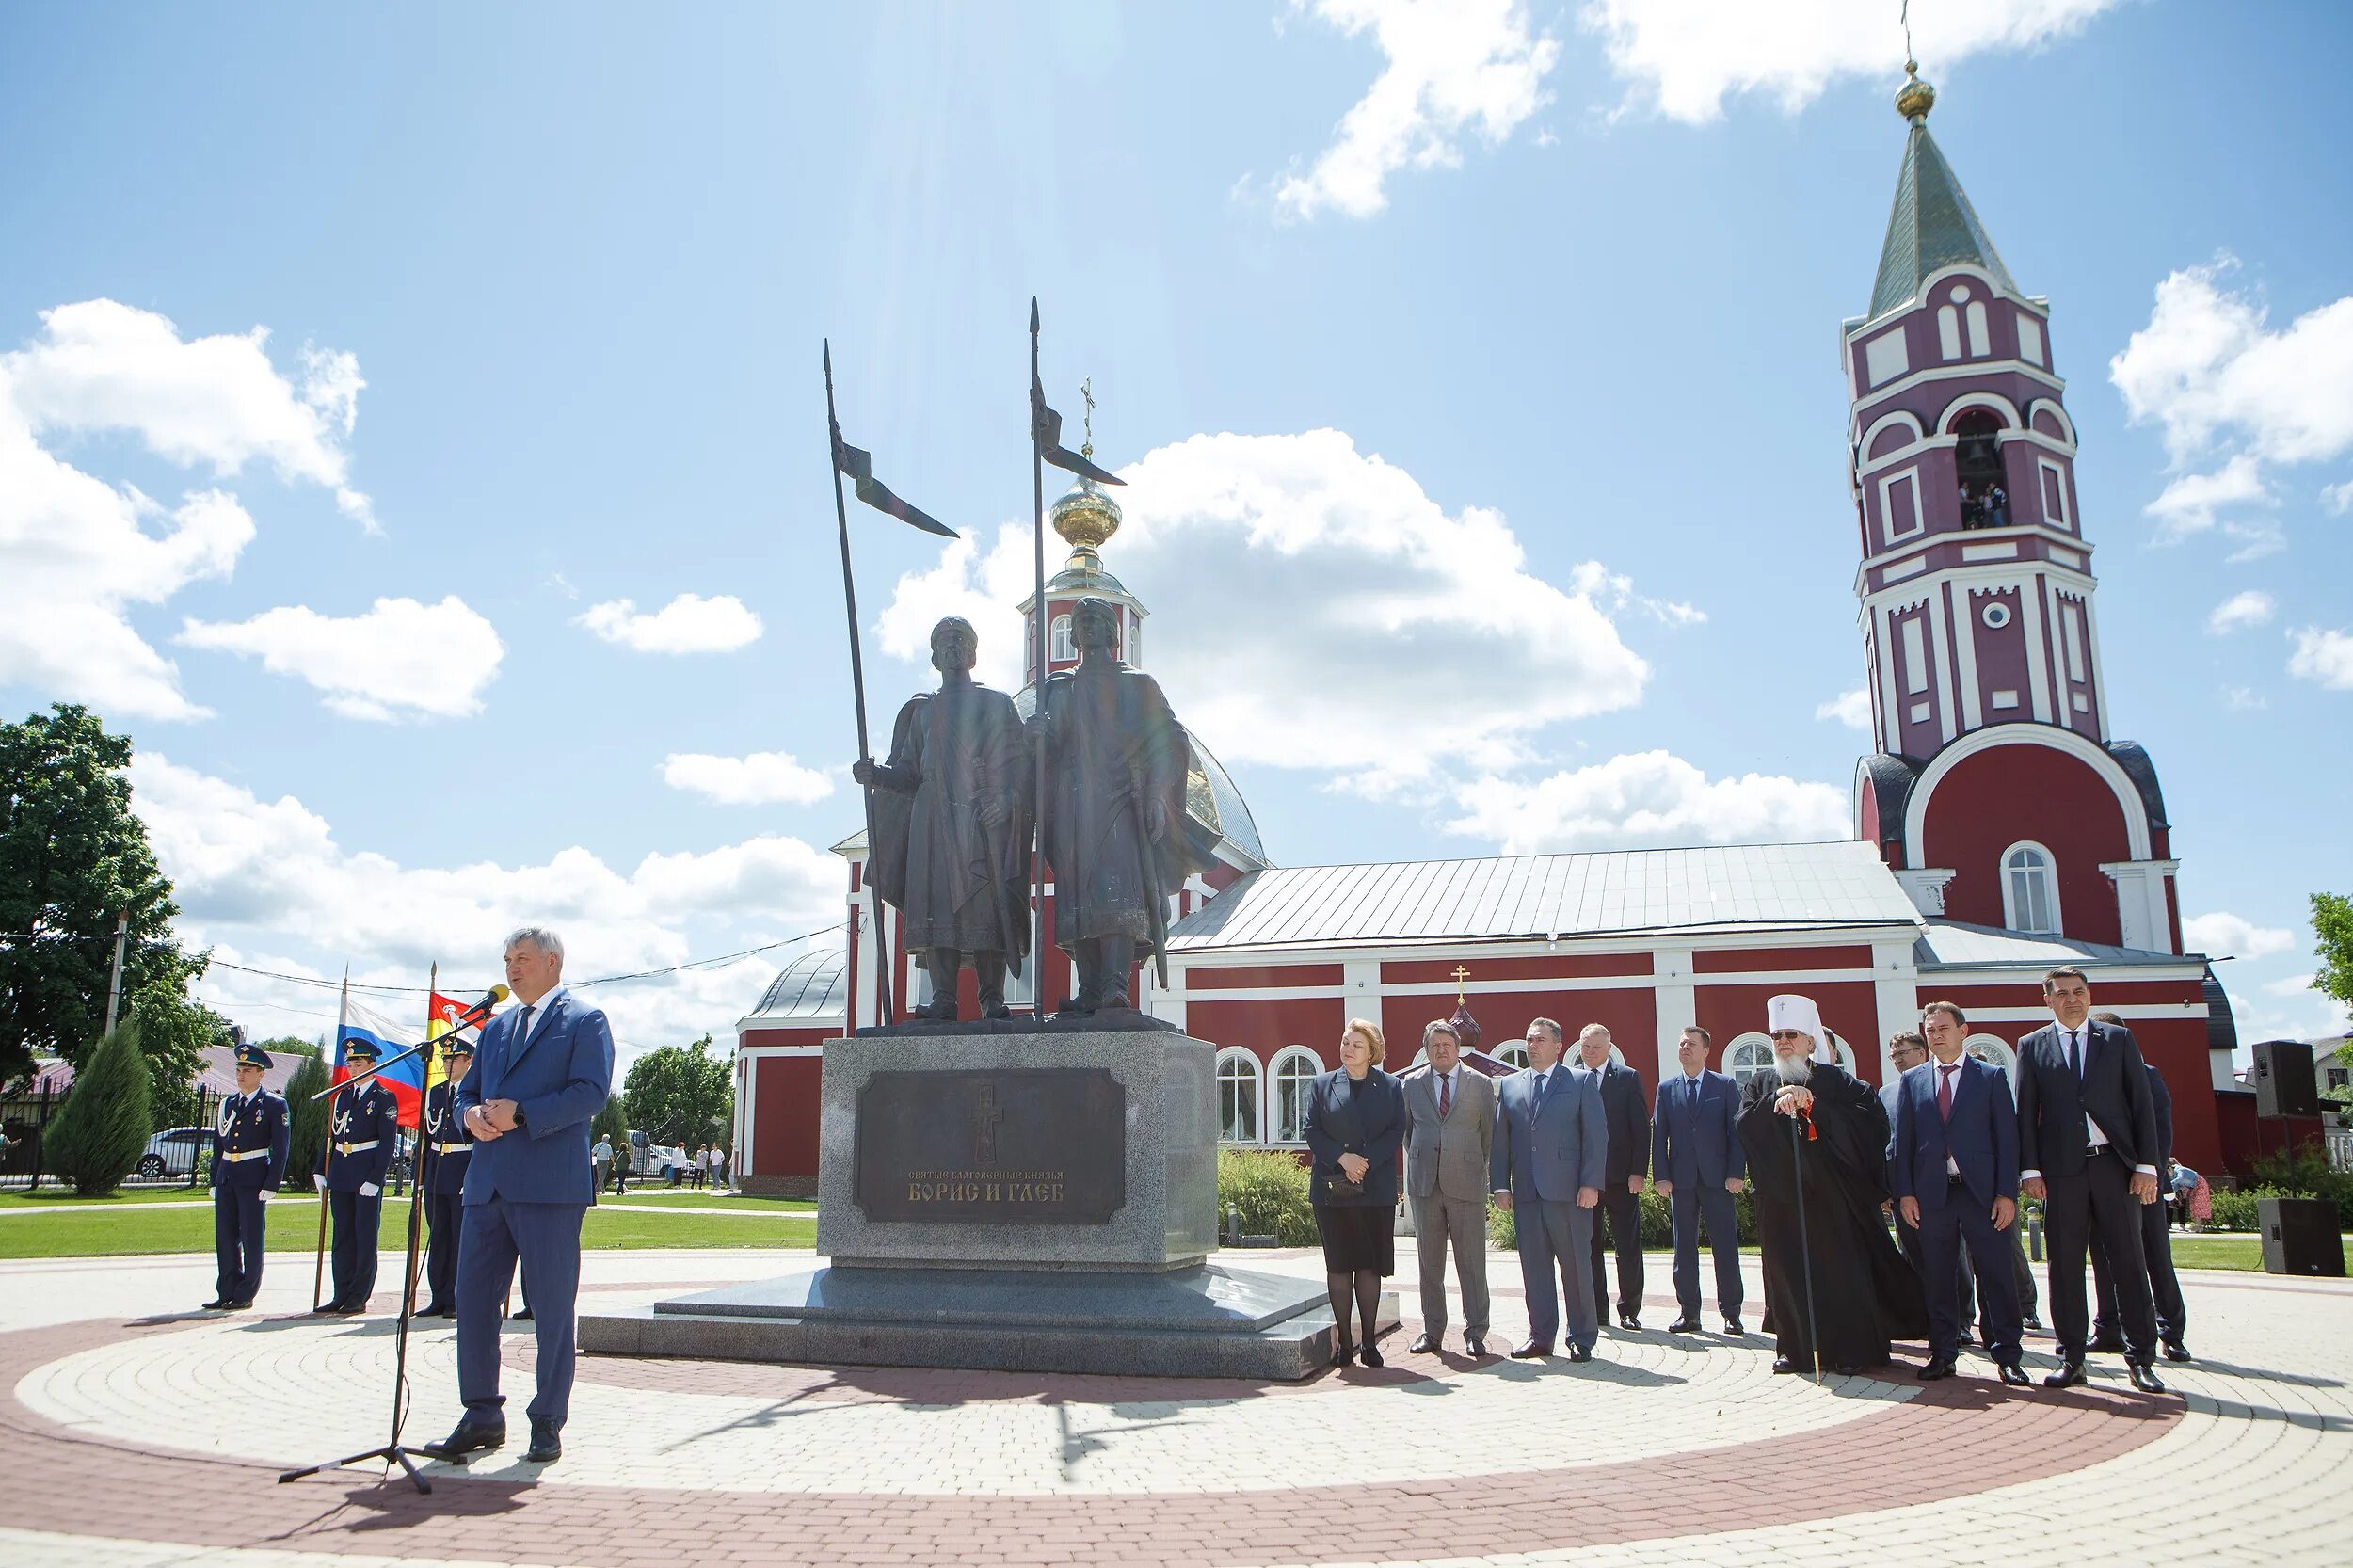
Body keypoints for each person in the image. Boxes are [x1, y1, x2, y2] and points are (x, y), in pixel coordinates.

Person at [431, 925, 615, 1467]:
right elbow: (467, 1090)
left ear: (553, 962)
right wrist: (468, 1115)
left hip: (549, 1190)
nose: (512, 968)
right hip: (486, 1185)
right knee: (474, 1303)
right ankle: (482, 1412)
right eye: (508, 959)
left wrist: (524, 1114)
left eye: (524, 959)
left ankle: (547, 1417)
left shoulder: (584, 1021)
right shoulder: (494, 1027)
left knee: (553, 1308)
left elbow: (590, 1093)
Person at [853, 616, 1032, 1020]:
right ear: (935, 657)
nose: (953, 648)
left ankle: (993, 998)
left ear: (974, 653)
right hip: (932, 822)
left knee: (987, 907)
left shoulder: (996, 704)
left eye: (961, 641)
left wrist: (1007, 799)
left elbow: (1021, 764)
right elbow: (909, 773)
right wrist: (876, 776)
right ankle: (944, 998)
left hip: (980, 818)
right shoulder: (921, 711)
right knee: (938, 910)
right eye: (945, 643)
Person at [1736, 994, 1925, 1375]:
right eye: (1776, 1035)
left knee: (1841, 1272)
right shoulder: (1761, 1082)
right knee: (1786, 1274)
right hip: (1782, 1199)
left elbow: (1870, 1127)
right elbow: (1743, 1127)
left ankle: (1853, 1349)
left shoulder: (1837, 1080)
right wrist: (1776, 1102)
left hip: (1834, 1199)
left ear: (1811, 1042)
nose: (1783, 1041)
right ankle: (1795, 1349)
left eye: (1792, 1034)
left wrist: (1814, 1106)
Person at [1029, 596, 1193, 1016]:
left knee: (1116, 895)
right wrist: (1038, 736)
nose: (1084, 628)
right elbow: (1046, 752)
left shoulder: (1137, 684)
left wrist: (1157, 793)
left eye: (1093, 620)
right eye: (1078, 621)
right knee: (1078, 897)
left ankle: (1116, 985)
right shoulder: (1058, 688)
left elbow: (1171, 740)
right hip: (1072, 805)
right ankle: (1088, 988)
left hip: (1121, 798)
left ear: (1111, 631)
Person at [2015, 967, 2166, 1393]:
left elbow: (2141, 1105)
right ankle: (2072, 1358)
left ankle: (2141, 1359)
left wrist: (2146, 1166)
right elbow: (2026, 1112)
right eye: (2061, 993)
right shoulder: (2031, 1046)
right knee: (2064, 1265)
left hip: (2114, 1168)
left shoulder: (2117, 1040)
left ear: (2090, 995)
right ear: (2047, 999)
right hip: (2061, 1173)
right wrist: (2029, 1170)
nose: (2071, 999)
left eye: (2079, 991)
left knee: (2129, 1263)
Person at [1894, 1001, 2029, 1385]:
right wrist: (1905, 1192)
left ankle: (2007, 1354)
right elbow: (1903, 1141)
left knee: (1996, 1274)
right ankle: (1943, 1353)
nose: (1936, 1035)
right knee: (1938, 1277)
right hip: (1933, 1195)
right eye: (1930, 1029)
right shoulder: (1913, 1080)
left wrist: (2007, 1193)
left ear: (1963, 1031)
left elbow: (2007, 1139)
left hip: (1982, 1195)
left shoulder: (1990, 1077)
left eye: (1943, 1028)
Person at [1491, 1017, 1607, 1362]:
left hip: (1569, 1193)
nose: (1532, 1045)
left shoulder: (1580, 1081)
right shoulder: (1510, 1085)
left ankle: (1582, 1336)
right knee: (1535, 1270)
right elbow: (1501, 1140)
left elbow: (1596, 1137)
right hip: (1527, 1194)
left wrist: (1590, 1183)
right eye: (1528, 1039)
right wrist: (1499, 1185)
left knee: (1576, 1269)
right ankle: (1540, 1336)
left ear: (1558, 1045)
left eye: (1539, 1039)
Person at [2086, 1012, 2191, 1364]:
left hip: (2142, 1185)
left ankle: (2171, 1332)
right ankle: (2109, 1328)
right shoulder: (2083, 1080)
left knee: (2155, 1257)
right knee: (2103, 1258)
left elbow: (2161, 1132)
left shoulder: (2146, 1076)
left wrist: (2151, 1176)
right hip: (2101, 1185)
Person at [1303, 1019, 1407, 1368]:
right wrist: (1342, 1157)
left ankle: (1369, 1344)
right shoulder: (1322, 1084)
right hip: (1333, 1189)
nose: (1348, 1049)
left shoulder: (1391, 1086)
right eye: (1345, 1042)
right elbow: (1311, 1129)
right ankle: (1344, 1345)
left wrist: (1365, 1162)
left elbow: (1396, 1130)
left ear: (1372, 1051)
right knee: (1339, 1264)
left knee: (1368, 1265)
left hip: (1373, 1187)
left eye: (1356, 1045)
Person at [1403, 1019, 1497, 1357]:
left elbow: (1489, 1135)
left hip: (1466, 1183)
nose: (1441, 1050)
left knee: (1471, 1262)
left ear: (1457, 1049)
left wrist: (1472, 1165)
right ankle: (1432, 1331)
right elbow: (1408, 1131)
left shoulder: (1481, 1085)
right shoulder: (1412, 1084)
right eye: (1434, 1046)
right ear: (1426, 1051)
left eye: (1447, 1045)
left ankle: (1476, 1331)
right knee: (1430, 1263)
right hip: (1426, 1184)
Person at [1651, 1026, 1746, 1336]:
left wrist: (1736, 1173)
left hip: (1718, 1180)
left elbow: (1736, 1134)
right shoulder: (1667, 1089)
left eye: (1691, 1044)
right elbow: (1659, 1136)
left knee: (1725, 1246)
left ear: (1706, 1051)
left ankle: (1731, 1313)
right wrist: (1662, 1176)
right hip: (1681, 1181)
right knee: (1684, 1249)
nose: (1685, 1049)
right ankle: (1689, 1312)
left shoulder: (1725, 1085)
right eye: (1681, 1044)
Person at [316, 1037, 399, 1317]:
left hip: (365, 1173)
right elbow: (332, 1136)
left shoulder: (383, 1097)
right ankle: (340, 1292)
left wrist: (376, 1178)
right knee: (342, 1237)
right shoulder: (343, 1095)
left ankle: (358, 1295)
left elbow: (387, 1142)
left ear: (372, 1065)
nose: (353, 1068)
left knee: (364, 1237)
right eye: (350, 1063)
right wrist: (320, 1168)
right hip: (341, 1171)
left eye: (359, 1063)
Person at [1578, 1024, 1652, 1331]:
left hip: (1622, 1179)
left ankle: (1629, 1310)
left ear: (1609, 1047)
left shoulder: (1626, 1078)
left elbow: (1641, 1128)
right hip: (1585, 1181)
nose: (1590, 1052)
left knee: (1627, 1246)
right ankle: (1598, 1311)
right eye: (1585, 1046)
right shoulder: (1572, 1079)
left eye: (1596, 1046)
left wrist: (1638, 1171)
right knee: (1589, 1247)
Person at [204, 1041, 288, 1311]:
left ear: (261, 1073)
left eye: (248, 1069)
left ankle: (246, 1292)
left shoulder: (275, 1105)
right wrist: (214, 1179)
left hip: (254, 1176)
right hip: (228, 1175)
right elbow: (219, 1144)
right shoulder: (228, 1103)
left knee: (252, 1237)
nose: (241, 1074)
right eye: (239, 1068)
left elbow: (282, 1147)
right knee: (225, 1237)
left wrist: (272, 1183)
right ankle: (226, 1289)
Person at [417, 1037, 475, 1318]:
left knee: (459, 1238)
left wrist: (473, 1177)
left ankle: (456, 1298)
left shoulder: (476, 1094)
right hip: (438, 1171)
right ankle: (438, 1295)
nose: (448, 1065)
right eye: (445, 1059)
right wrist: (421, 1175)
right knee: (438, 1236)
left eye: (454, 1059)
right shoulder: (435, 1093)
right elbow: (426, 1137)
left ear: (469, 1061)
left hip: (463, 1168)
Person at [591, 1133, 612, 1198]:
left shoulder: (597, 1145)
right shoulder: (608, 1147)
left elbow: (592, 1153)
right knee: (602, 1176)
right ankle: (596, 1189)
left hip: (598, 1161)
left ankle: (603, 1190)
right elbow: (611, 1155)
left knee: (600, 1176)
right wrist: (614, 1162)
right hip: (605, 1161)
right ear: (607, 1140)